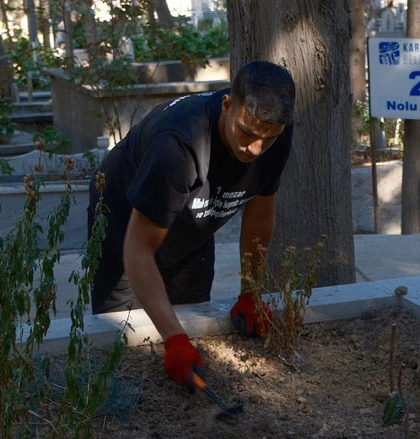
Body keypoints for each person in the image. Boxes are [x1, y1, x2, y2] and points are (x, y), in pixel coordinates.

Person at [88, 60, 296, 390]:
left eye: (267, 140)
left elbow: (259, 218)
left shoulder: (275, 132)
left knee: (190, 306)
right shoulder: (178, 144)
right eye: (247, 133)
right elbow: (138, 251)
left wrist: (251, 292)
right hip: (126, 209)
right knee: (124, 326)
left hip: (193, 214)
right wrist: (174, 341)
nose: (255, 149)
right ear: (227, 105)